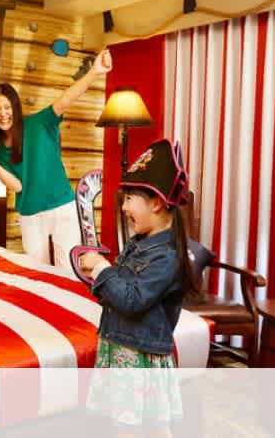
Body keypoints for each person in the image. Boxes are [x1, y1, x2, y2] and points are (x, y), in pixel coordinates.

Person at [78, 138, 199, 432]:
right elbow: (119, 291)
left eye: (130, 199)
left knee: (141, 427)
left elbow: (132, 300)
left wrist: (102, 268)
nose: (124, 208)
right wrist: (99, 275)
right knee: (127, 425)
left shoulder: (167, 256)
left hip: (138, 357)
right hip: (120, 346)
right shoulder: (138, 245)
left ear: (157, 202)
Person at [0, 49, 112, 270]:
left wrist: (95, 71)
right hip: (30, 212)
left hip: (61, 205)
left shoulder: (39, 123)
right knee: (39, 272)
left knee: (68, 267)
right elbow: (17, 186)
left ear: (15, 108)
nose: (3, 114)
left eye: (7, 107)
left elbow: (67, 98)